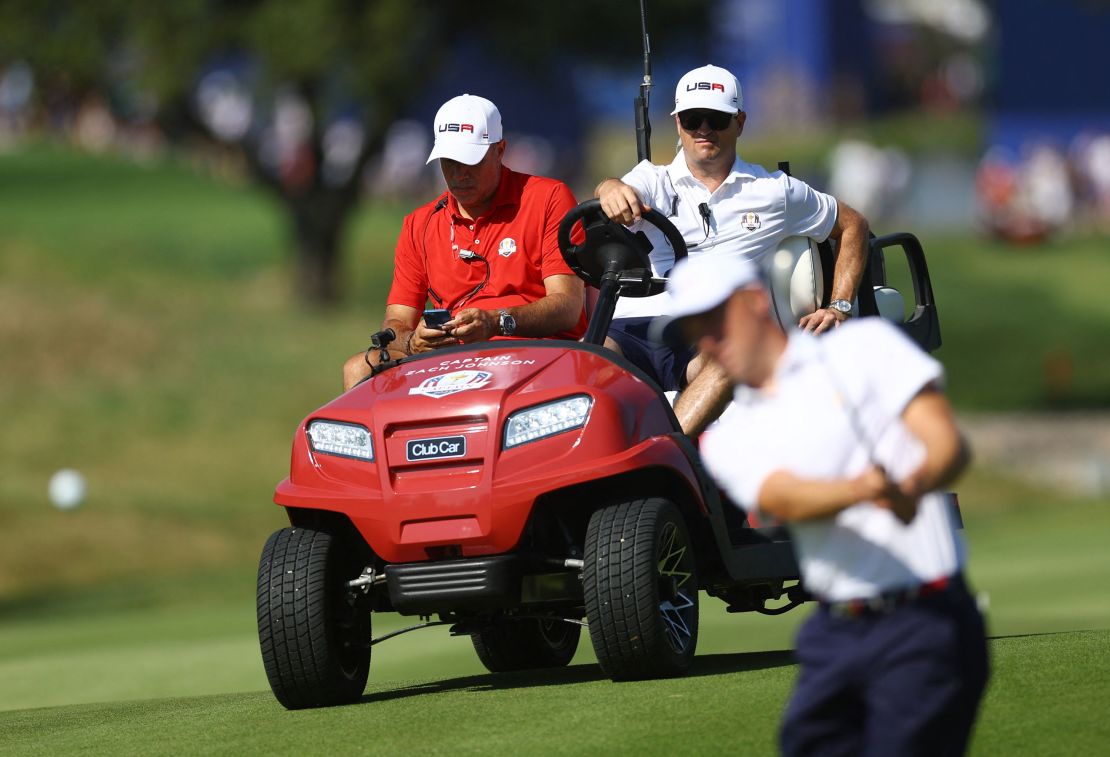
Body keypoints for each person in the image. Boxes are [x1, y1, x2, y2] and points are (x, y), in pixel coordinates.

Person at [656, 254, 989, 756]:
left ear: (753, 303)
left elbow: (947, 444)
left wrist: (913, 481)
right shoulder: (729, 435)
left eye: (715, 320)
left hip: (928, 619)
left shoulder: (866, 347)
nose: (708, 340)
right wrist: (870, 490)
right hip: (837, 631)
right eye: (695, 331)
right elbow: (780, 497)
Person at [594, 64, 870, 437]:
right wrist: (609, 188)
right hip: (636, 325)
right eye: (693, 119)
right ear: (678, 124)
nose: (703, 129)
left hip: (708, 334)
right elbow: (614, 189)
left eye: (716, 119)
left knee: (728, 357)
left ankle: (667, 455)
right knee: (586, 358)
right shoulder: (651, 179)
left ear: (739, 123)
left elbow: (853, 224)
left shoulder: (775, 191)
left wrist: (839, 306)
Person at [342, 94, 587, 390]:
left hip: (536, 353)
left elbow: (567, 307)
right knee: (357, 367)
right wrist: (413, 341)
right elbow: (396, 322)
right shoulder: (419, 224)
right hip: (452, 360)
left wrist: (495, 322)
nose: (459, 174)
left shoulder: (548, 198)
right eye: (449, 162)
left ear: (500, 150)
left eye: (471, 161)